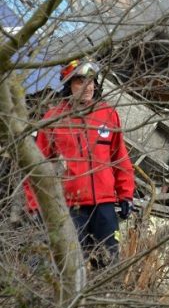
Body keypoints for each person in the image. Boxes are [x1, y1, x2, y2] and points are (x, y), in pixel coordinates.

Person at [26, 59, 135, 267]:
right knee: (70, 266)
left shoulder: (109, 115)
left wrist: (126, 195)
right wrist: (35, 206)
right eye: (80, 81)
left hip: (104, 207)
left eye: (91, 81)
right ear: (69, 85)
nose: (88, 87)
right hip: (70, 208)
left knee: (108, 264)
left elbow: (120, 159)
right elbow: (35, 168)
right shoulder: (53, 119)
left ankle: (106, 299)